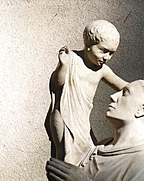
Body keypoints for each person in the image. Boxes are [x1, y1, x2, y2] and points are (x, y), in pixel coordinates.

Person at [45, 19, 128, 165]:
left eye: (111, 53)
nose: (107, 57)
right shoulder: (71, 59)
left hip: (82, 123)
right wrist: (63, 66)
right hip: (63, 117)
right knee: (64, 159)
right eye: (103, 51)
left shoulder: (102, 70)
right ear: (88, 44)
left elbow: (124, 86)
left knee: (88, 160)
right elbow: (56, 84)